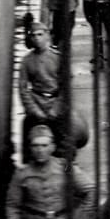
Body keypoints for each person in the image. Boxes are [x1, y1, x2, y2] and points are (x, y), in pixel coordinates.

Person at [18, 22, 65, 163]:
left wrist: (56, 109)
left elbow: (66, 88)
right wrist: (34, 110)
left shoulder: (58, 58)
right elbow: (23, 89)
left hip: (55, 102)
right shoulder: (26, 61)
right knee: (27, 131)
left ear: (47, 36)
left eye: (40, 34)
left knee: (66, 137)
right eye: (34, 36)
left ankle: (67, 166)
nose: (37, 38)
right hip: (37, 101)